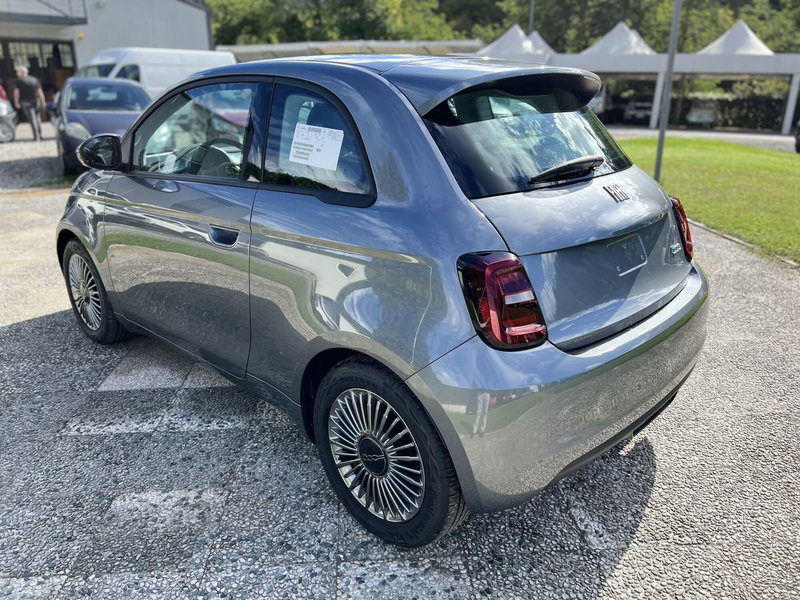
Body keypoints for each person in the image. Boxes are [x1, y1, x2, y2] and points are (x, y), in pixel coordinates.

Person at [13, 65, 46, 141]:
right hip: (36, 101)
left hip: (26, 103)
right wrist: (43, 101)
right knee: (38, 118)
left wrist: (16, 102)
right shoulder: (34, 80)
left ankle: (36, 136)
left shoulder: (18, 81)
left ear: (21, 72)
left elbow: (16, 92)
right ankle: (40, 135)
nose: (16, 73)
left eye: (17, 71)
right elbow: (40, 92)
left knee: (32, 119)